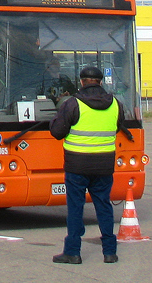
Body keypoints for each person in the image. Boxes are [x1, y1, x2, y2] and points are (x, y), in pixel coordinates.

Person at [49, 65, 133, 265]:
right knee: (104, 206)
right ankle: (110, 252)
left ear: (81, 82)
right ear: (101, 82)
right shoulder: (115, 104)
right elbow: (118, 124)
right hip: (104, 166)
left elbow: (57, 132)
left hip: (77, 166)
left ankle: (72, 252)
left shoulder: (72, 104)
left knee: (76, 209)